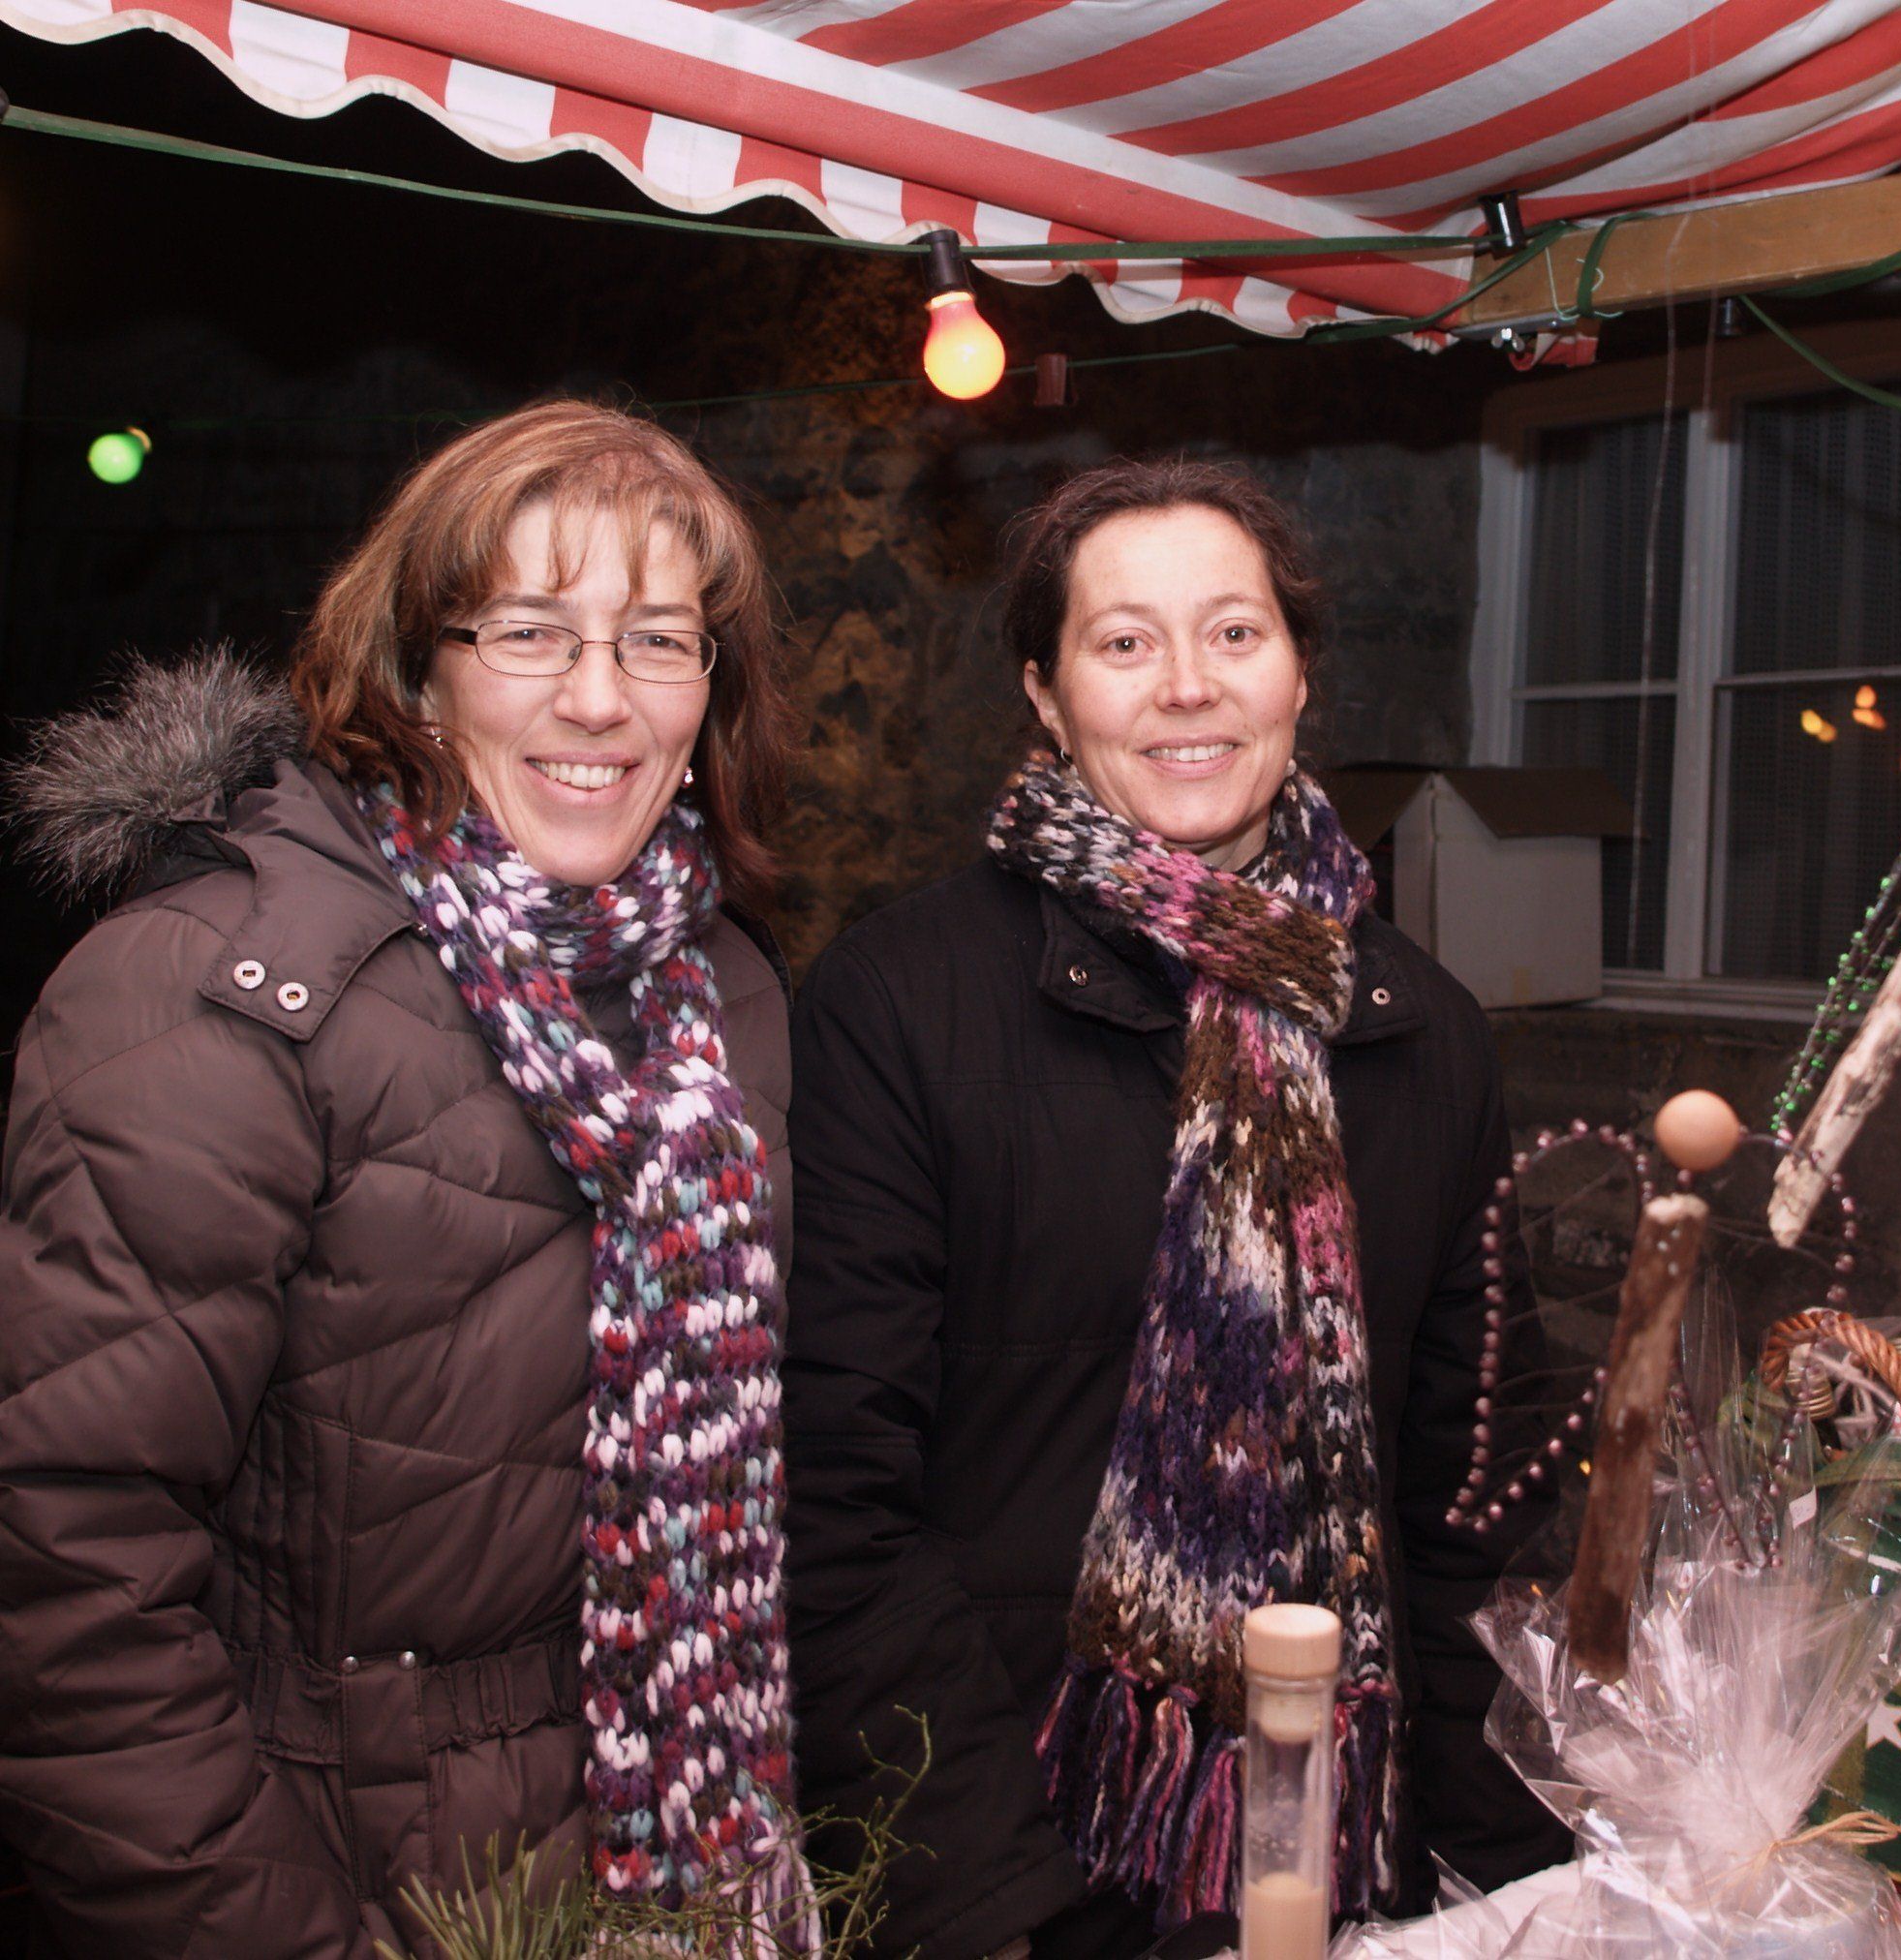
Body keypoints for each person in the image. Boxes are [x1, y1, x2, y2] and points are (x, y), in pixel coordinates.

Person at [0, 401, 810, 1956]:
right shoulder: (211, 994)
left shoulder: (719, 997)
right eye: (529, 631)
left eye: (658, 641)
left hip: (663, 1870)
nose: (599, 699)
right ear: (416, 672)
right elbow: (63, 1574)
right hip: (336, 1875)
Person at [785, 456, 1565, 1960]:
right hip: (1017, 1861)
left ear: (1299, 674)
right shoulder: (901, 1004)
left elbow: (1476, 1499)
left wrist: (1510, 1877)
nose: (1187, 687)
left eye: (1234, 633)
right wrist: (995, 1904)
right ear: (1046, 693)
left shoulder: (1423, 1031)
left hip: (1352, 1859)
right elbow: (832, 1498)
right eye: (1125, 642)